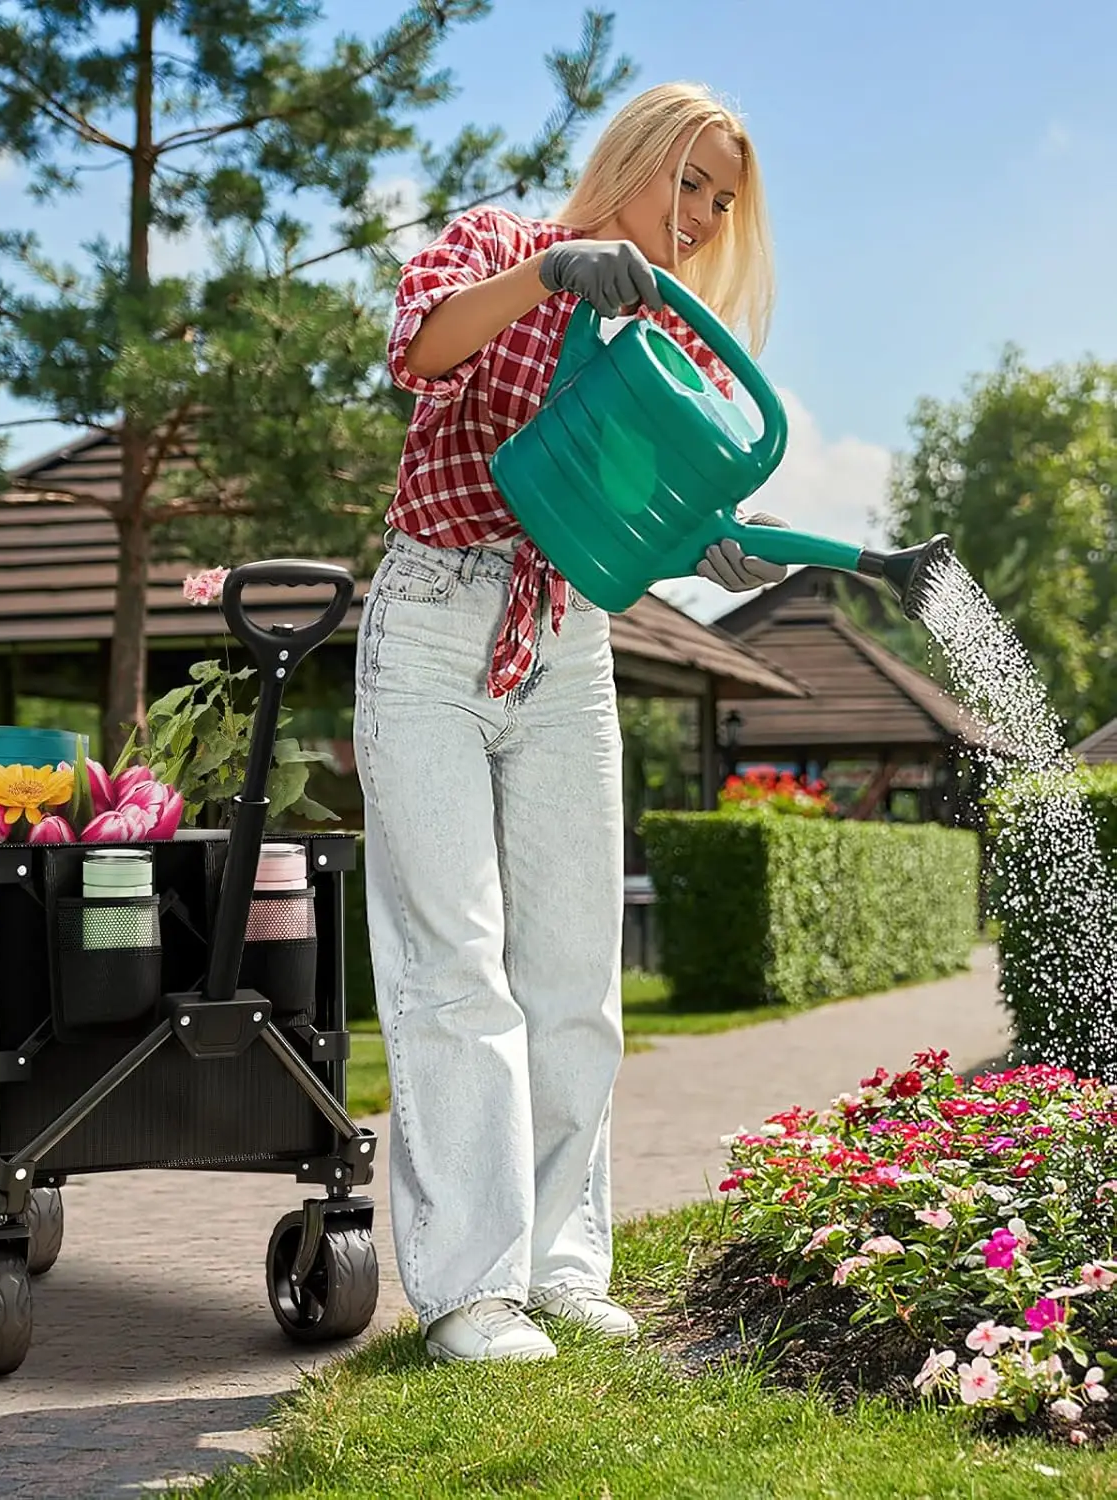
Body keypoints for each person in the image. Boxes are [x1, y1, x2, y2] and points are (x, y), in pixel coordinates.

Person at [352, 81, 787, 1363]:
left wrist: (715, 548)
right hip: (435, 618)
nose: (702, 216)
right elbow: (420, 348)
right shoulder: (498, 243)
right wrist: (551, 273)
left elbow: (630, 524)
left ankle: (560, 1266)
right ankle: (470, 1293)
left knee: (572, 976)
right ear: (637, 158)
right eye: (690, 182)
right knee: (457, 968)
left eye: (722, 200)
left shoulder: (683, 346)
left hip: (565, 645)